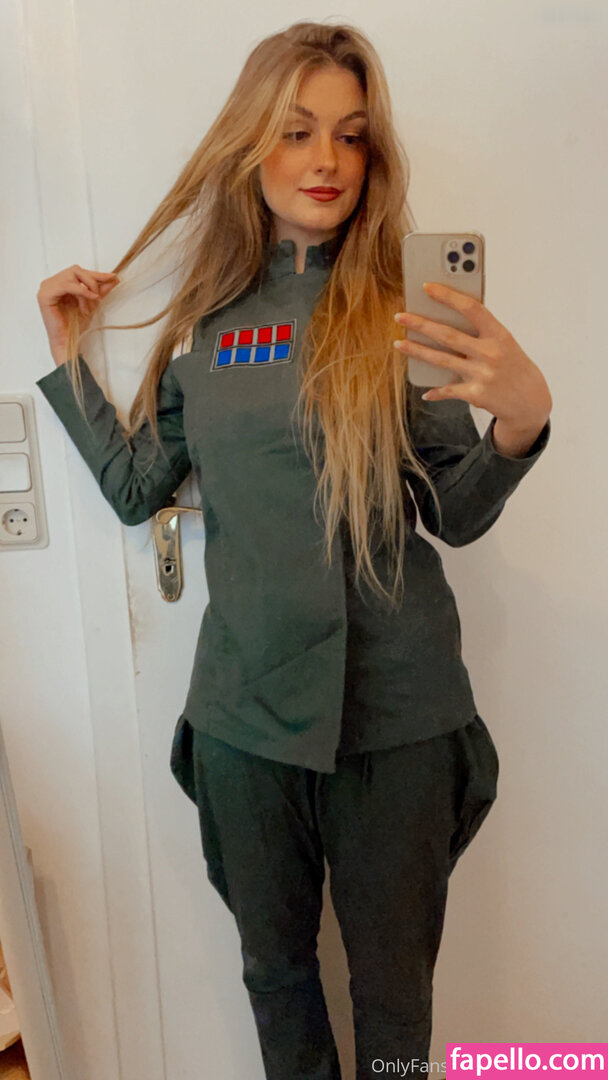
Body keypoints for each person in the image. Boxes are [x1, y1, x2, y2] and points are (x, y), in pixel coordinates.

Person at [35, 21, 552, 1080]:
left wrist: (518, 425)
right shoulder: (206, 327)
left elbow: (454, 513)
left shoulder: (406, 316)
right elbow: (137, 489)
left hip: (396, 718)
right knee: (275, 980)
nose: (326, 161)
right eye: (297, 131)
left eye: (351, 136)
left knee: (394, 1004)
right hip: (245, 722)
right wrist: (70, 356)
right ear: (250, 146)